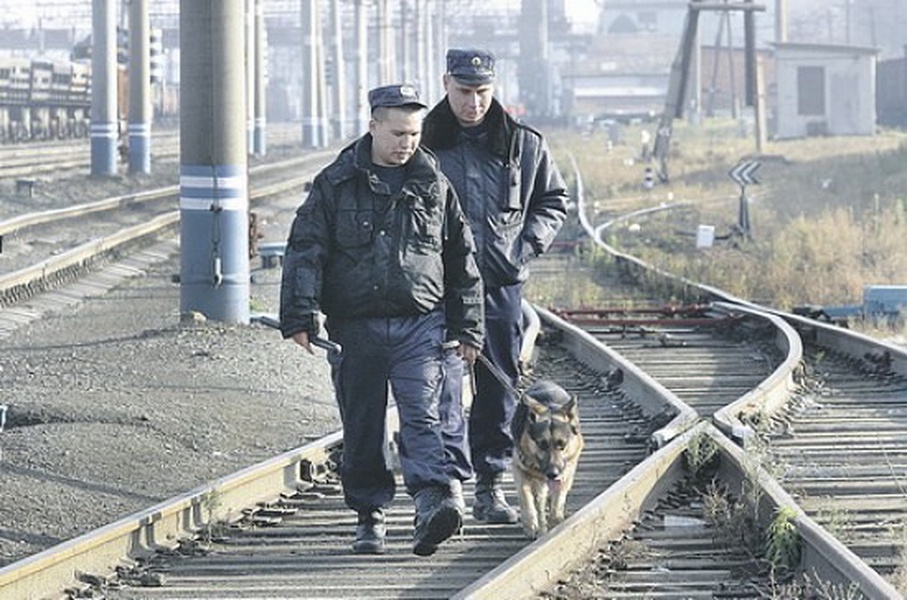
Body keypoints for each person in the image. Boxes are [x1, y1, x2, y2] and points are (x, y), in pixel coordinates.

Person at [279, 83, 484, 557]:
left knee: (423, 416)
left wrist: (469, 328)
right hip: (356, 327)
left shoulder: (434, 183)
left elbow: (462, 258)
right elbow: (306, 248)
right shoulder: (335, 182)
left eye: (413, 134)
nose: (406, 143)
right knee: (363, 427)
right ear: (373, 126)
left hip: (421, 325)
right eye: (396, 133)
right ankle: (369, 515)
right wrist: (300, 314)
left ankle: (432, 505)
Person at [421, 49, 569, 524]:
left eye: (482, 92)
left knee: (498, 389)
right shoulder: (421, 143)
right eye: (464, 91)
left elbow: (552, 199)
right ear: (446, 83)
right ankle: (447, 488)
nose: (474, 102)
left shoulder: (522, 144)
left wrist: (523, 250)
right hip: (437, 288)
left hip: (499, 287)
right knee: (438, 388)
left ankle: (490, 485)